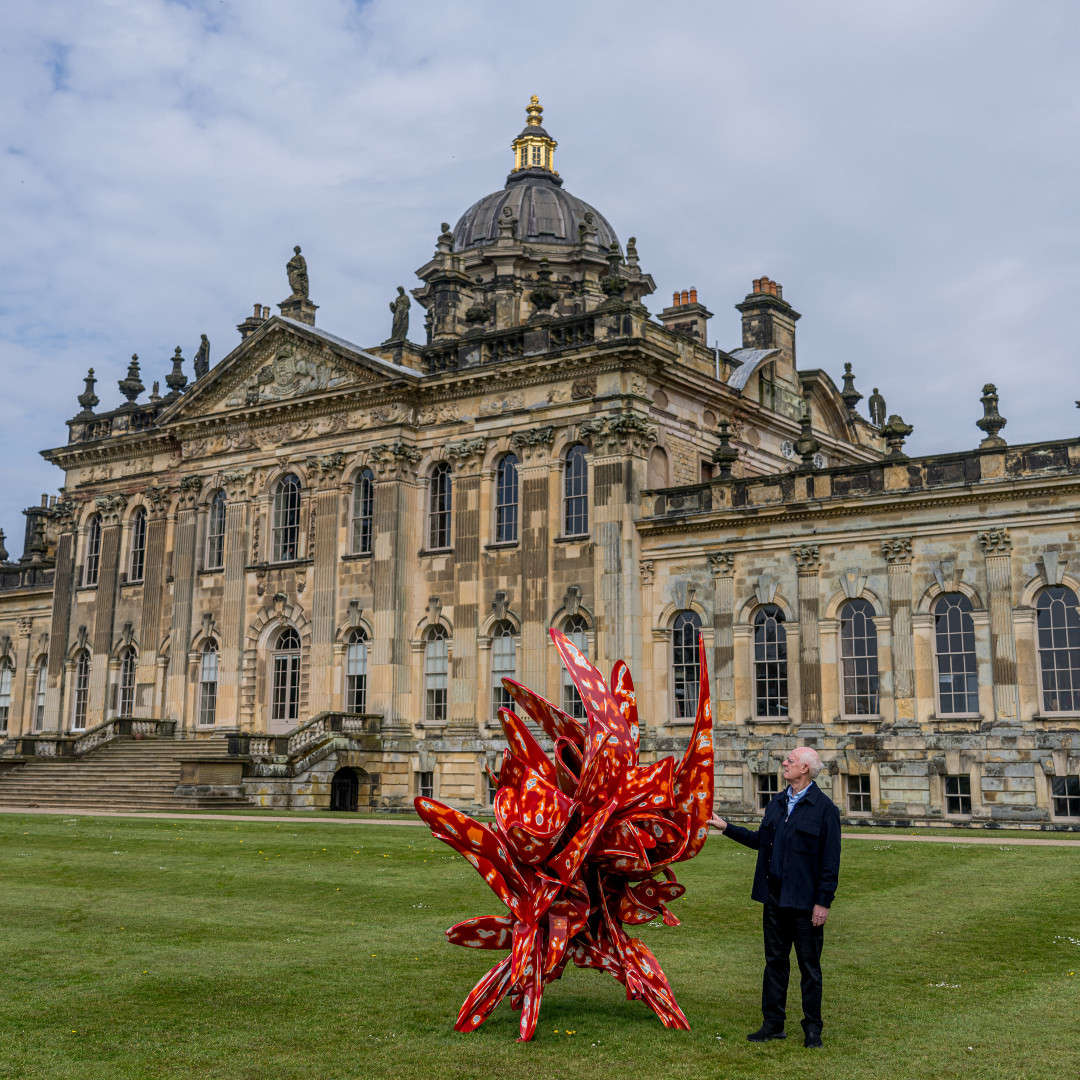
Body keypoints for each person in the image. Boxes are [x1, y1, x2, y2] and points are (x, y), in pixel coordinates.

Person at [708, 746, 841, 1049]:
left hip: (806, 905)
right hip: (775, 900)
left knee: (810, 969)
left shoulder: (825, 810)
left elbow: (830, 863)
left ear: (805, 768)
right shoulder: (778, 803)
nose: (785, 764)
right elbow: (760, 841)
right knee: (775, 963)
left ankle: (812, 1029)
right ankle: (773, 1024)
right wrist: (726, 827)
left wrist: (823, 903)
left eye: (790, 761)